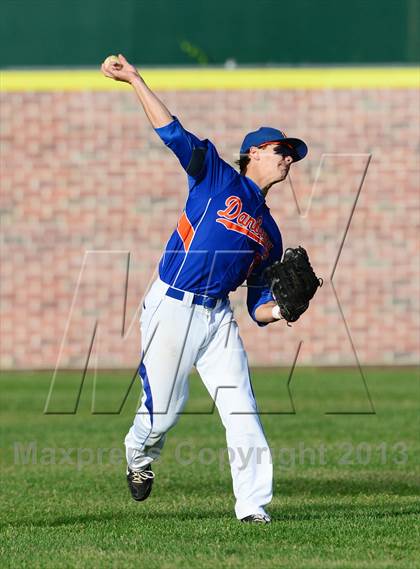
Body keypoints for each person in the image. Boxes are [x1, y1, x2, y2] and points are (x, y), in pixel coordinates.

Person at [101, 54, 308, 524]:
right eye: (281, 149)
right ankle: (139, 456)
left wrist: (283, 311)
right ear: (253, 152)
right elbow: (172, 132)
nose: (288, 158)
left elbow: (257, 305)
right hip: (171, 306)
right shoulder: (216, 176)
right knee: (162, 416)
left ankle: (253, 507)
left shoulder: (270, 232)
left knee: (242, 410)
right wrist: (135, 80)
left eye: (291, 154)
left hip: (217, 319)